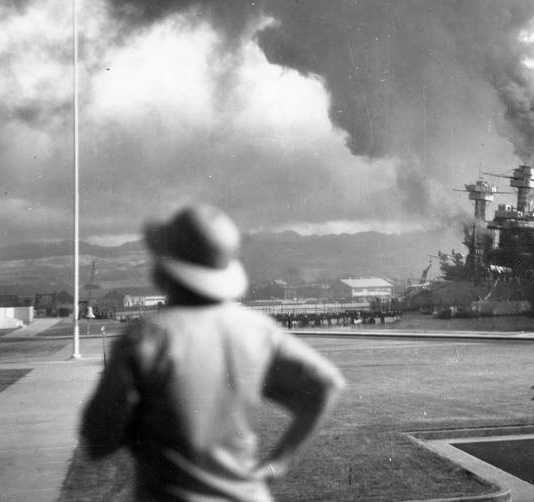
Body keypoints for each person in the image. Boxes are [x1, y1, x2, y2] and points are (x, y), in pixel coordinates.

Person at [80, 204, 345, 501]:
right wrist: (277, 463)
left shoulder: (146, 338)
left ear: (164, 269)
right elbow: (328, 385)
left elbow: (98, 440)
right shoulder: (258, 329)